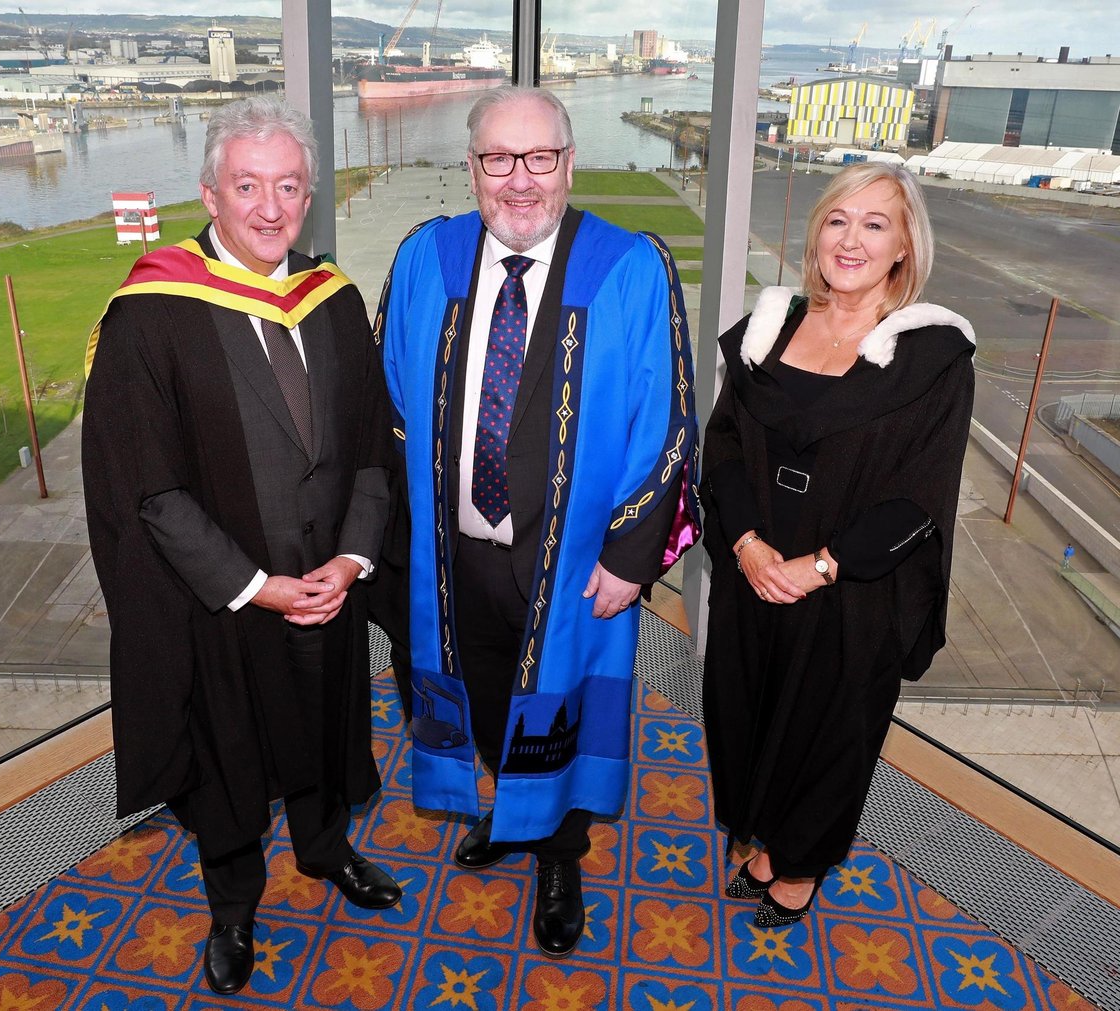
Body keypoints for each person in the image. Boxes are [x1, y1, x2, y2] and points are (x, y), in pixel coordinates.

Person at [81, 96, 401, 996]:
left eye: (288, 186)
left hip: (327, 582)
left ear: (308, 195)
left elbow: (372, 449)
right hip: (224, 598)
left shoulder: (333, 299)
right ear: (210, 193)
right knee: (228, 754)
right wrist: (256, 584)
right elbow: (148, 489)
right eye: (248, 185)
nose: (270, 207)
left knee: (327, 724)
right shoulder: (152, 314)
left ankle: (326, 848)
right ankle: (233, 901)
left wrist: (353, 559)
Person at [377, 87, 699, 959]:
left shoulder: (629, 266)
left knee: (560, 708)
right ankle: (513, 810)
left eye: (539, 158)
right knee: (483, 696)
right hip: (455, 556)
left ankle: (560, 852)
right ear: (471, 166)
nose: (519, 180)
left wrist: (633, 555)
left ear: (569, 162)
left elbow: (666, 421)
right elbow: (391, 402)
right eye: (498, 159)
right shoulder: (426, 256)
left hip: (575, 564)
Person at [700, 162, 975, 928]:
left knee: (829, 736)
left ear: (904, 247)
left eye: (875, 224)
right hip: (757, 571)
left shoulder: (931, 357)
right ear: (816, 232)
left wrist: (822, 565)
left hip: (852, 588)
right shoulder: (771, 327)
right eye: (837, 220)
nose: (851, 240)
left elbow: (920, 495)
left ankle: (798, 867)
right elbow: (725, 446)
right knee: (751, 713)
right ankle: (765, 842)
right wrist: (747, 544)